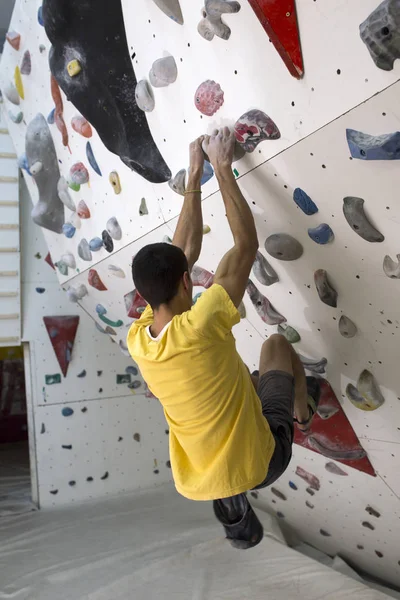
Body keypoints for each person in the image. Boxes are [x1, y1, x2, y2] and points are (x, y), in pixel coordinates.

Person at [127, 128, 320, 548]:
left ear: (146, 295)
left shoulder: (140, 337)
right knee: (275, 348)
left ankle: (236, 517)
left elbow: (182, 253)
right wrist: (220, 164)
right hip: (264, 460)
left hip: (198, 474)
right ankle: (304, 413)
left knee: (244, 383)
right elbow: (245, 245)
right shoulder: (204, 321)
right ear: (185, 282)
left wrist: (193, 178)